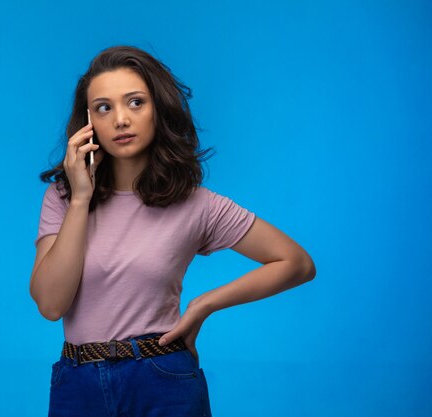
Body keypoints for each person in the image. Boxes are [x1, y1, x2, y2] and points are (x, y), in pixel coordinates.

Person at [30, 45, 316, 417]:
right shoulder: (64, 197)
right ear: (88, 123)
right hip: (78, 385)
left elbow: (296, 262)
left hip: (162, 378)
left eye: (135, 103)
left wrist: (204, 305)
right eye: (104, 107)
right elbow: (51, 305)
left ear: (157, 110)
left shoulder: (196, 204)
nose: (120, 119)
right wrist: (81, 198)